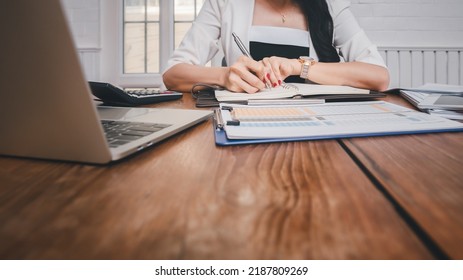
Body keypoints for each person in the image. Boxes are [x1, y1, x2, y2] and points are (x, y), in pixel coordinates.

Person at [162, 0, 389, 94]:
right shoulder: (224, 3)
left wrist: (300, 66)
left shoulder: (331, 6)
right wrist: (224, 76)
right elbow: (173, 75)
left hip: (318, 129)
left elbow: (378, 76)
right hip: (243, 127)